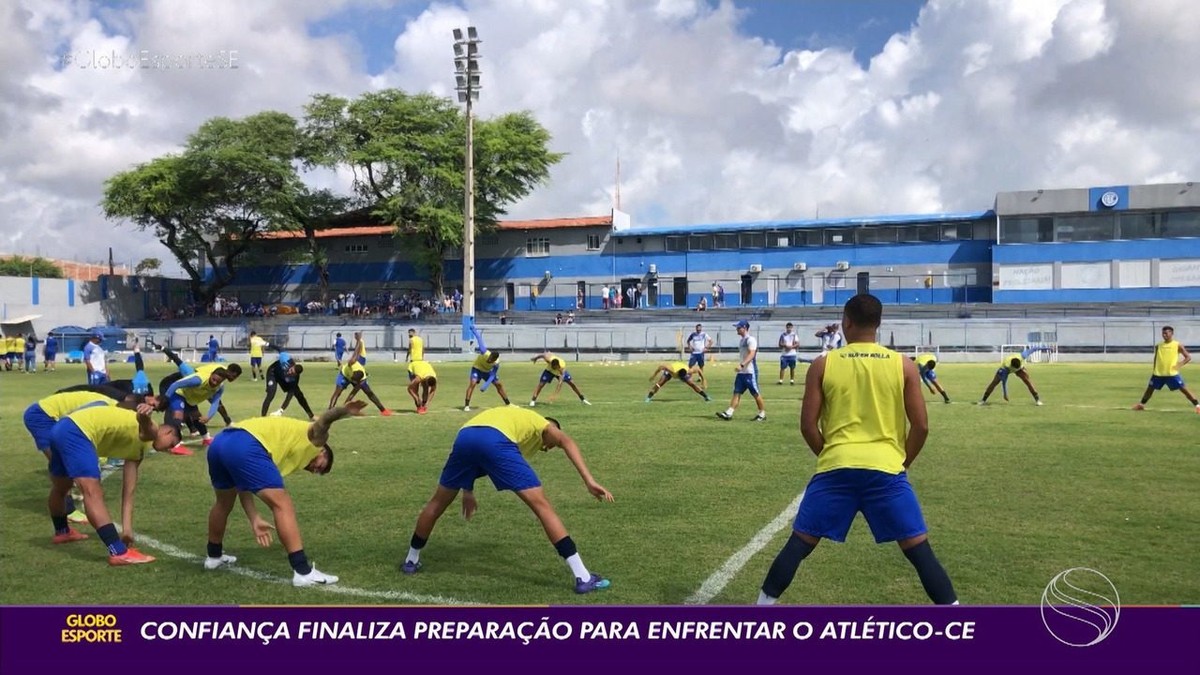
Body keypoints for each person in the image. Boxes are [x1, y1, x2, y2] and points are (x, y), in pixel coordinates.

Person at [757, 293, 957, 606]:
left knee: (798, 545)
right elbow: (921, 427)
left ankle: (759, 613)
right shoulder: (903, 365)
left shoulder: (823, 365)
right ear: (878, 324)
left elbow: (808, 426)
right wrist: (901, 463)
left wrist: (831, 455)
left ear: (846, 322)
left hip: (836, 469)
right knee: (920, 552)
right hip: (887, 471)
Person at [400, 407, 613, 594]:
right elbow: (566, 440)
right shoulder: (541, 423)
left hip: (464, 435)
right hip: (495, 440)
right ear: (551, 427)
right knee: (543, 507)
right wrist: (589, 481)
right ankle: (583, 577)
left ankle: (411, 560)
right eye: (550, 444)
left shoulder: (512, 417)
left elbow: (478, 453)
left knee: (437, 503)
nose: (548, 448)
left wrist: (468, 490)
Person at [204, 401, 366, 586]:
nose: (314, 469)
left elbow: (243, 485)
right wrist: (343, 411)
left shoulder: (281, 449)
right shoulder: (316, 440)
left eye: (316, 472)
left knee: (223, 503)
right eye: (320, 464)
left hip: (221, 443)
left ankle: (214, 556)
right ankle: (302, 572)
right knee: (283, 504)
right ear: (323, 450)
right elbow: (323, 421)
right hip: (246, 443)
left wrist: (254, 518)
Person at [45, 403, 180, 565]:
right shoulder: (152, 430)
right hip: (78, 431)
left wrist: (127, 529)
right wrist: (144, 417)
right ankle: (118, 552)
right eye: (171, 444)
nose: (169, 449)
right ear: (168, 431)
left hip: (60, 429)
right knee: (92, 491)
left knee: (61, 487)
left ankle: (62, 532)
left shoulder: (138, 451)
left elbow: (128, 491)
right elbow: (147, 430)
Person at [25, 390, 123, 525]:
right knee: (63, 465)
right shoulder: (102, 406)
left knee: (65, 465)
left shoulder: (110, 406)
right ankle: (69, 511)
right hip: (42, 417)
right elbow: (72, 423)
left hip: (48, 416)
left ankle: (65, 510)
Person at [163, 359, 243, 452]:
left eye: (218, 382)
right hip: (178, 394)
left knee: (197, 417)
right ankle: (174, 445)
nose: (215, 383)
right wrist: (165, 399)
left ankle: (206, 438)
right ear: (211, 374)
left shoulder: (220, 386)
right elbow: (176, 384)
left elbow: (215, 403)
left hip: (191, 398)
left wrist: (208, 416)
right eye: (213, 380)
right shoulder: (198, 380)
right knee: (178, 415)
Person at [1133, 326, 1199, 412]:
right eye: (1163, 333)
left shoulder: (1177, 345)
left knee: (1184, 390)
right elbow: (1156, 358)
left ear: (1171, 333)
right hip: (1158, 374)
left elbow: (1188, 357)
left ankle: (1198, 406)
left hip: (1172, 374)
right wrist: (1154, 369)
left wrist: (1179, 365)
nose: (1164, 335)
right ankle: (1141, 405)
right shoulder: (1159, 346)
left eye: (1166, 333)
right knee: (1149, 389)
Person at [717, 320, 766, 421]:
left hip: (749, 372)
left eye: (739, 327)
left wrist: (742, 365)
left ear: (744, 328)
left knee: (755, 393)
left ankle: (762, 413)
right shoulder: (742, 340)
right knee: (737, 392)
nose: (737, 329)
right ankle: (729, 412)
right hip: (742, 373)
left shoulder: (750, 339)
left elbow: (752, 354)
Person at [463, 326, 512, 412]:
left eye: (491, 360)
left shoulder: (496, 363)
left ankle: (508, 403)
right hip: (477, 368)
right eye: (489, 358)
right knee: (473, 383)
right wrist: (474, 330)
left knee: (499, 384)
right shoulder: (484, 351)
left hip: (487, 372)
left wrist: (485, 385)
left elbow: (492, 375)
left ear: (494, 359)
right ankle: (466, 406)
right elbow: (479, 339)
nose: (489, 360)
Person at [978, 346, 1048, 405]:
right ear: (1012, 366)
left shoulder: (1022, 356)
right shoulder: (1005, 367)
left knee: (1028, 381)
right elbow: (1004, 382)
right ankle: (983, 400)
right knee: (994, 383)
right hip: (1005, 369)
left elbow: (1034, 349)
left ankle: (1038, 400)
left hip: (1019, 369)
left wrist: (1046, 348)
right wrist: (1005, 394)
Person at [327, 360, 393, 416]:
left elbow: (352, 394)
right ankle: (329, 412)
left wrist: (345, 408)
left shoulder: (362, 380)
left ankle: (383, 410)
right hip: (344, 375)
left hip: (356, 378)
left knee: (369, 392)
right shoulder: (350, 367)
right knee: (337, 393)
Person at [262, 354, 315, 419]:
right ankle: (263, 417)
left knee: (298, 394)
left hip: (283, 378)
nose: (290, 372)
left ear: (296, 374)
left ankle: (311, 416)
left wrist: (281, 410)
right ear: (292, 366)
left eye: (293, 373)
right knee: (271, 394)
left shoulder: (295, 378)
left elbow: (290, 395)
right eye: (291, 370)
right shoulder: (286, 362)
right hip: (272, 373)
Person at [645, 361, 710, 402]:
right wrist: (653, 376)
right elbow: (661, 367)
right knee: (659, 384)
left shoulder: (688, 371)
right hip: (670, 373)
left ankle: (706, 397)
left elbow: (699, 370)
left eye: (682, 378)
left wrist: (704, 381)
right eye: (680, 377)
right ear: (677, 373)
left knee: (692, 384)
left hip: (682, 370)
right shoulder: (671, 370)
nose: (680, 379)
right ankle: (649, 397)